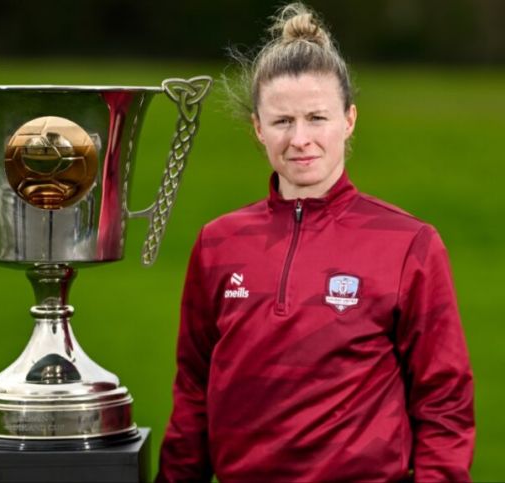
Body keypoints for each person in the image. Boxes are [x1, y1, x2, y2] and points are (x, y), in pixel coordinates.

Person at [157, 3, 474, 481]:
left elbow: (445, 401)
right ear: (258, 129)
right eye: (283, 121)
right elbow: (192, 395)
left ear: (349, 120)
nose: (300, 138)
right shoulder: (218, 243)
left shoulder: (410, 243)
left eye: (317, 117)